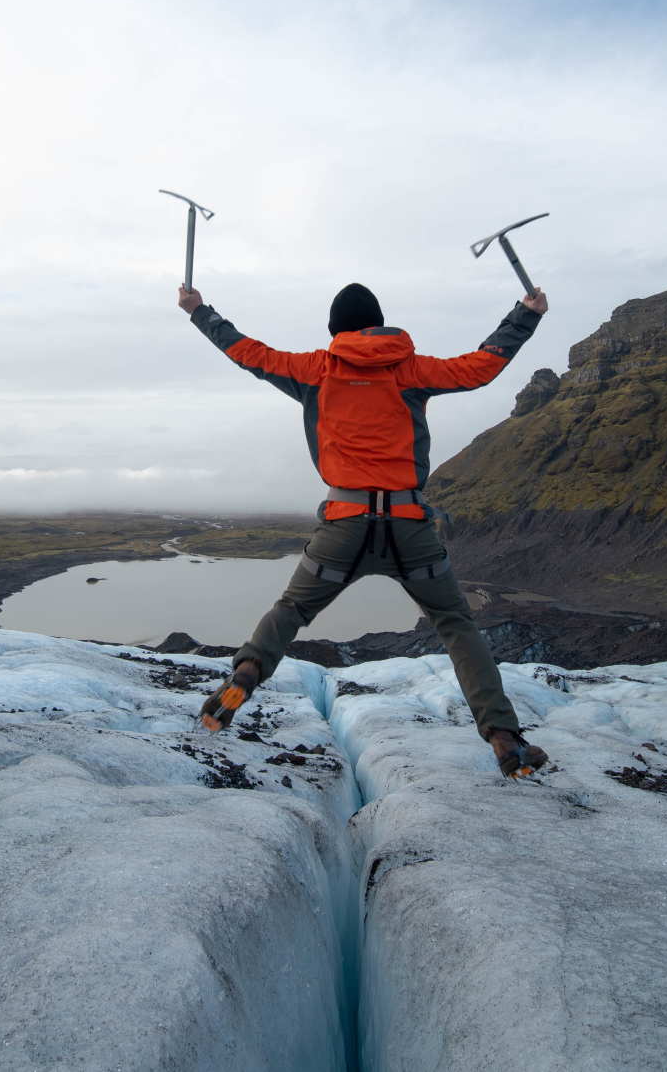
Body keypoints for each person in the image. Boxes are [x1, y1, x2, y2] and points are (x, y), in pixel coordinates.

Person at [176, 278, 552, 778]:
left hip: (344, 526)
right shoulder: (409, 370)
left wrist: (199, 311)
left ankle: (246, 673)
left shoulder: (315, 369)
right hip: (409, 527)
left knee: (292, 609)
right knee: (457, 626)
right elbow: (481, 366)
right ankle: (506, 740)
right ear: (377, 322)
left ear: (336, 329)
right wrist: (526, 313)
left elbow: (248, 352)